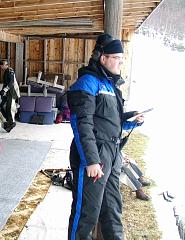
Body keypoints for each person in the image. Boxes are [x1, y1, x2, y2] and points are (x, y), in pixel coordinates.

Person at [67, 33, 144, 240]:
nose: (120, 62)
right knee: (87, 212)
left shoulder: (111, 85)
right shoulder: (87, 82)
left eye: (121, 58)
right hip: (95, 155)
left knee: (112, 208)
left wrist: (131, 120)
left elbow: (112, 122)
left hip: (112, 153)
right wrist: (91, 160)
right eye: (117, 58)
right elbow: (82, 123)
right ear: (103, 58)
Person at [0, 59, 20, 132]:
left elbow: (11, 83)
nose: (0, 67)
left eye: (1, 65)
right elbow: (6, 84)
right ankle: (7, 120)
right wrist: (2, 91)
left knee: (9, 107)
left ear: (4, 65)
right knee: (2, 105)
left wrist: (4, 90)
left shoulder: (10, 71)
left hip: (12, 92)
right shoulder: (7, 71)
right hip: (7, 92)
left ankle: (11, 123)